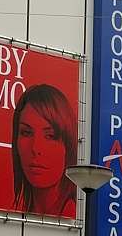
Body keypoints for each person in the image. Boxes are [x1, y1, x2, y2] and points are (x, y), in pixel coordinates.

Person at [11, 84, 77, 218]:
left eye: (50, 136)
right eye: (26, 133)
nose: (36, 148)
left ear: (68, 145)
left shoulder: (73, 216)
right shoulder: (17, 212)